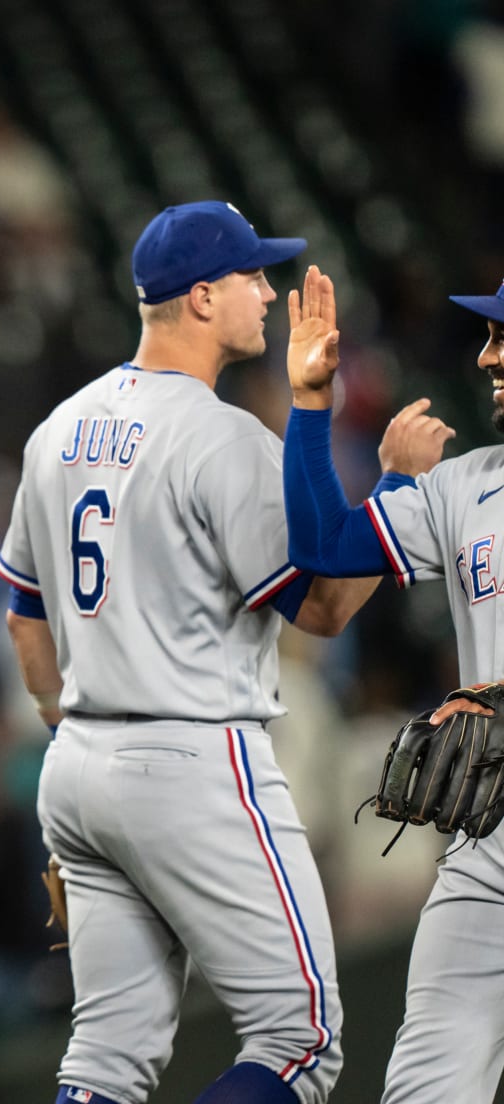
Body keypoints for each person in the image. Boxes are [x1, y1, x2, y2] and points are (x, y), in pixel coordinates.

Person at [0, 201, 449, 1104]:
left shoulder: (57, 430)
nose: (270, 293)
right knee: (301, 1040)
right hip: (193, 760)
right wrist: (396, 493)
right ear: (201, 298)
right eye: (252, 276)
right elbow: (319, 612)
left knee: (104, 1060)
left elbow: (22, 620)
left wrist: (70, 738)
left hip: (78, 765)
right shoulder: (225, 438)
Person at [279, 264, 504, 1104]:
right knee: (425, 1086)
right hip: (487, 846)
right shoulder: (471, 484)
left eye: (501, 338)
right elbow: (327, 558)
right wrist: (310, 406)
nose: (486, 358)